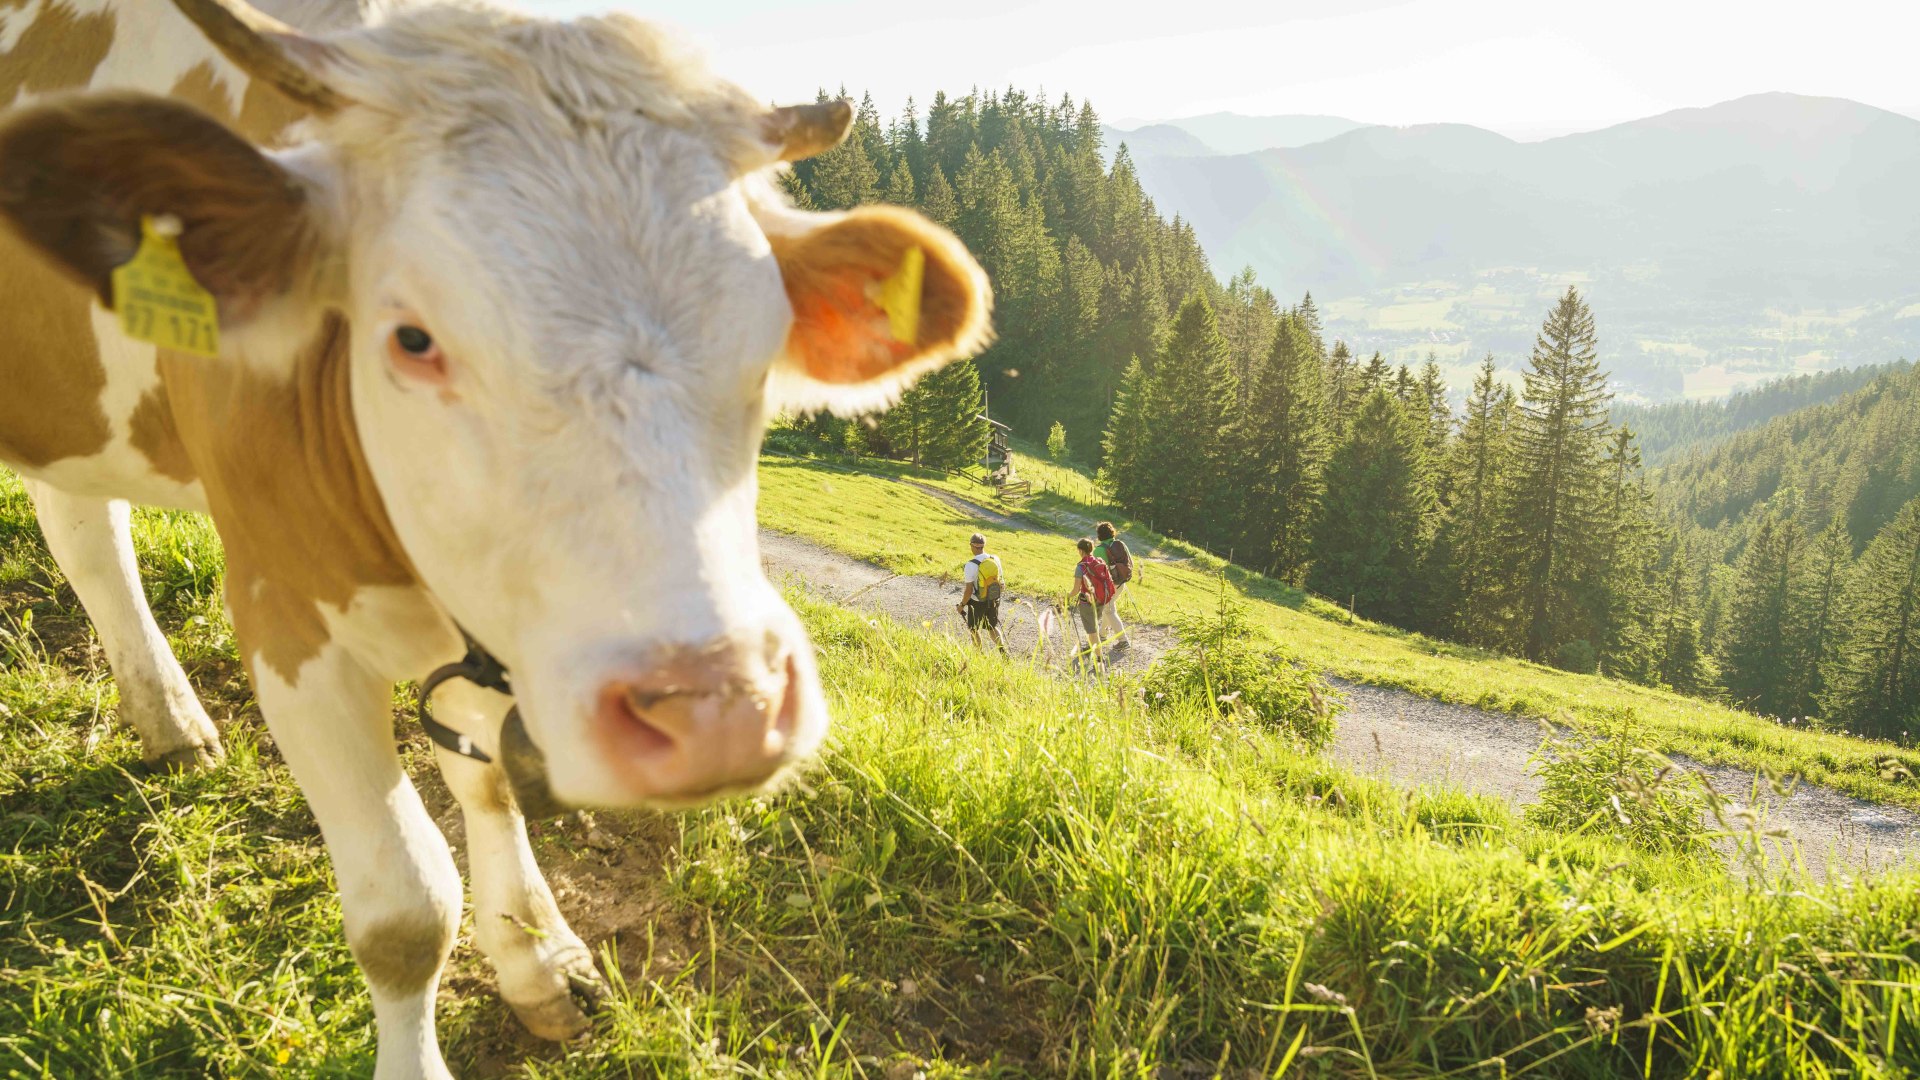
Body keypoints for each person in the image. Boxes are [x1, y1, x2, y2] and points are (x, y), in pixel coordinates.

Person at [1068, 537, 1117, 658]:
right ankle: (1091, 650)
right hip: (1101, 600)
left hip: (1087, 604)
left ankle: (1100, 659)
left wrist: (1065, 596)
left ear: (1080, 550)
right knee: (1093, 629)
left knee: (1093, 632)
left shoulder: (1081, 567)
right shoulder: (1099, 561)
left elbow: (1075, 590)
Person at [958, 532, 1007, 653]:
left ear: (972, 545)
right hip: (993, 599)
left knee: (974, 629)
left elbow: (969, 590)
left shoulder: (970, 565)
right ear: (983, 545)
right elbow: (1001, 583)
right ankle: (1003, 652)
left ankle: (979, 655)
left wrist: (962, 605)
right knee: (992, 627)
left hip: (977, 602)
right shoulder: (995, 559)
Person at [1092, 522, 1133, 648]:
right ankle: (1102, 635)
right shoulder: (1121, 544)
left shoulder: (1098, 550)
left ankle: (1123, 641)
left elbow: (1097, 572)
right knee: (1108, 608)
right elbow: (1130, 563)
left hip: (1108, 586)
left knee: (1109, 610)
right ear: (1112, 532)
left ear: (1099, 535)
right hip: (1121, 583)